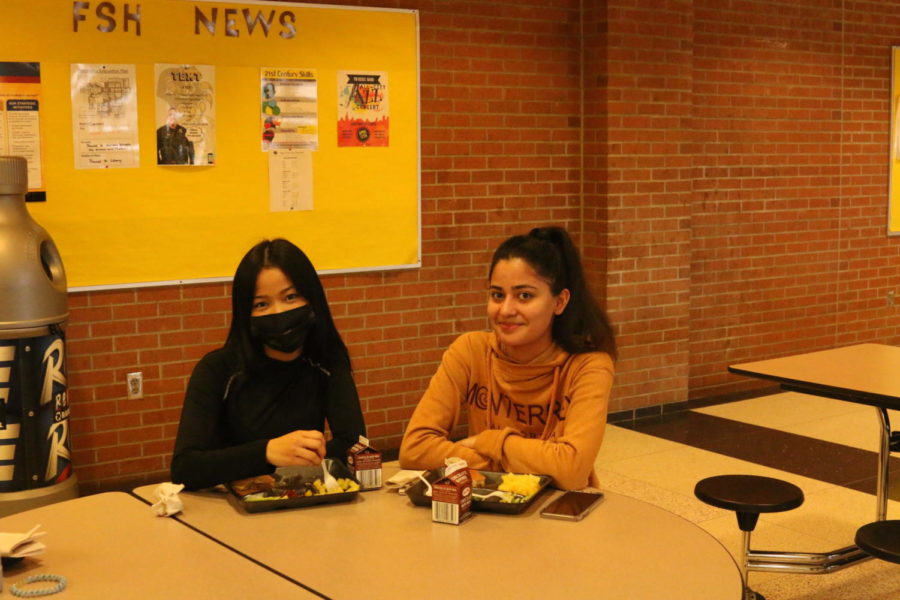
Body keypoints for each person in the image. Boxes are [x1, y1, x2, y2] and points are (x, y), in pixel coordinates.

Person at [399, 227, 616, 490]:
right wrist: (507, 464)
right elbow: (415, 448)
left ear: (559, 302)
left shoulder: (588, 366)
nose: (506, 310)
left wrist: (489, 443)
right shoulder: (470, 350)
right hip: (484, 509)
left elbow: (571, 471)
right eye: (497, 295)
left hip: (556, 513)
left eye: (525, 296)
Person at [171, 239, 366, 490]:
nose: (278, 312)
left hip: (308, 506)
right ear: (244, 313)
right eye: (261, 304)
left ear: (312, 298)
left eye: (291, 297)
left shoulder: (326, 362)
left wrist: (305, 454)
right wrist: (267, 452)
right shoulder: (217, 369)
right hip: (231, 512)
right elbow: (185, 467)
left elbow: (356, 444)